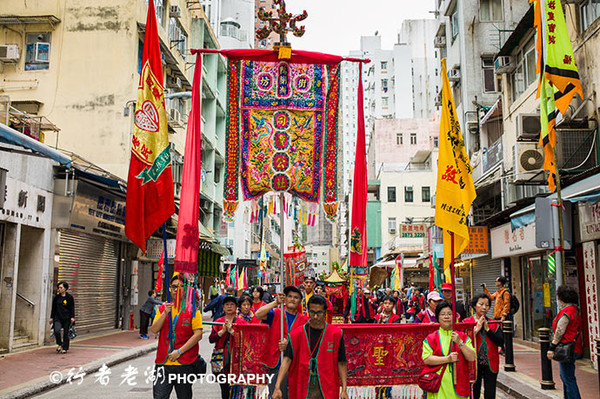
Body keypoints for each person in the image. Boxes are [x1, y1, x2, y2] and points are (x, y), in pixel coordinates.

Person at [272, 295, 349, 399]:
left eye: (319, 313)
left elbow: (342, 362)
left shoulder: (335, 334)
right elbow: (287, 360)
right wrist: (277, 387)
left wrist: (344, 389)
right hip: (302, 384)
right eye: (312, 312)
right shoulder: (296, 334)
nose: (315, 316)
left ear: (325, 312)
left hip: (327, 385)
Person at [151, 274, 203, 399]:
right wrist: (165, 313)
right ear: (170, 289)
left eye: (180, 287)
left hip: (184, 363)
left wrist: (179, 351)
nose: (176, 290)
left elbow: (198, 334)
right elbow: (154, 329)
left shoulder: (192, 310)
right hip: (163, 363)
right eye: (174, 287)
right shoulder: (163, 308)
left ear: (185, 289)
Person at [255, 286, 309, 398]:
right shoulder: (276, 313)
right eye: (289, 296)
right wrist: (276, 302)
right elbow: (258, 314)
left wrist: (290, 344)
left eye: (296, 297)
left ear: (300, 301)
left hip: (296, 365)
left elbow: (307, 343)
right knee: (276, 394)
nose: (292, 299)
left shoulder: (304, 320)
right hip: (276, 363)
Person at [421, 301, 476, 399]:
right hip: (439, 385)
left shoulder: (463, 336)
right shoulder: (431, 338)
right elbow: (426, 359)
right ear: (438, 317)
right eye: (443, 314)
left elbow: (471, 357)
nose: (446, 317)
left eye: (449, 314)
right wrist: (447, 359)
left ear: (454, 317)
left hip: (460, 384)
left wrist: (460, 343)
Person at [464, 293, 504, 399]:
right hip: (473, 363)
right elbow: (462, 343)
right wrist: (475, 331)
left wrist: (488, 330)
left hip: (490, 362)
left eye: (486, 305)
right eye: (481, 304)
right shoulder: (466, 323)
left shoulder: (494, 323)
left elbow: (500, 342)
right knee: (474, 391)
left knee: (490, 392)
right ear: (474, 306)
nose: (484, 307)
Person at [547, 285, 583, 399]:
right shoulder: (575, 310)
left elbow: (560, 330)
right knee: (567, 377)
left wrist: (552, 346)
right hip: (573, 346)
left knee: (567, 378)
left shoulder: (567, 311)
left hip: (566, 347)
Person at [210, 295, 247, 399]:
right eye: (227, 305)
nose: (229, 307)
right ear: (223, 307)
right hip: (222, 360)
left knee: (237, 389)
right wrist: (221, 332)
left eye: (232, 305)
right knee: (224, 389)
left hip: (237, 360)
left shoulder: (242, 323)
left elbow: (246, 341)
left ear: (236, 308)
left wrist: (232, 332)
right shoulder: (217, 322)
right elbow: (211, 339)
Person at [49, 281, 75, 354]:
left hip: (67, 318)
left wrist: (72, 317)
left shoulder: (69, 297)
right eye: (58, 287)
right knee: (56, 331)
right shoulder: (56, 297)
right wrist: (51, 317)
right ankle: (59, 343)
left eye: (61, 287)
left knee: (66, 333)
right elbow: (53, 308)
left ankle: (65, 348)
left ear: (65, 288)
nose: (59, 289)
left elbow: (72, 308)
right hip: (58, 317)